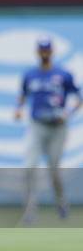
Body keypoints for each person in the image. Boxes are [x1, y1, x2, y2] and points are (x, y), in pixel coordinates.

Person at [15, 37, 81, 224]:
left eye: (47, 50)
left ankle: (61, 204)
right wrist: (18, 109)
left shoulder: (63, 74)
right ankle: (29, 211)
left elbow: (78, 97)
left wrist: (68, 113)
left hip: (57, 127)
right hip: (37, 125)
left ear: (51, 52)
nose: (45, 53)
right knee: (30, 166)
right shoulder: (30, 75)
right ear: (38, 52)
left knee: (54, 170)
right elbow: (23, 95)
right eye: (42, 50)